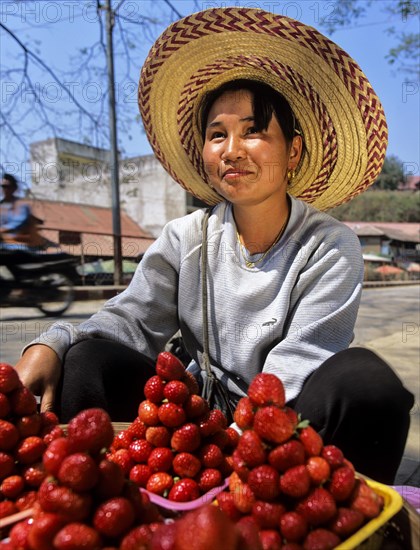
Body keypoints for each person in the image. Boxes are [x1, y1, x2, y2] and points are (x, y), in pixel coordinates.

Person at [15, 7, 413, 484]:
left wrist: (242, 441)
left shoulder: (330, 246)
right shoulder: (186, 237)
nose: (231, 150)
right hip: (195, 426)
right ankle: (105, 503)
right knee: (86, 361)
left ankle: (346, 525)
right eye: (217, 134)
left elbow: (307, 355)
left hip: (285, 429)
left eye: (254, 132)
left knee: (367, 384)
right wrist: (52, 343)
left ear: (294, 151)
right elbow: (130, 320)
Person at [0, 173, 45, 251]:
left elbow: (17, 223)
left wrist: (2, 230)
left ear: (14, 188)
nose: (5, 189)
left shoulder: (21, 205)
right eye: (3, 186)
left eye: (8, 186)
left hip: (19, 247)